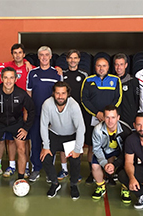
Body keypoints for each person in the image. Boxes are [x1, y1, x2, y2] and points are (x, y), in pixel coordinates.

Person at [0, 67, 35, 191]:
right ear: (1, 79)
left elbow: (32, 111)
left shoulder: (21, 94)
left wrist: (26, 128)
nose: (8, 80)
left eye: (11, 77)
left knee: (21, 149)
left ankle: (21, 178)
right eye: (5, 77)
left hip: (16, 123)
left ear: (16, 79)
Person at [40, 81, 85, 199]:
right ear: (53, 94)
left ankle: (74, 184)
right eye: (58, 93)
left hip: (70, 136)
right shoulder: (47, 104)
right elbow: (43, 125)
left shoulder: (74, 106)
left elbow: (81, 128)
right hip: (54, 134)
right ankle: (54, 183)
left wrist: (77, 149)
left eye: (63, 93)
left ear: (68, 94)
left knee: (75, 161)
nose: (60, 96)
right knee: (45, 158)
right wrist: (46, 146)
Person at [81, 57, 122, 184]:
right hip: (93, 118)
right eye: (99, 66)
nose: (101, 68)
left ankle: (109, 173)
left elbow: (118, 98)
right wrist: (97, 113)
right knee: (92, 146)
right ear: (95, 67)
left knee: (110, 147)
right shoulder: (88, 80)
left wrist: (107, 115)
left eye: (104, 66)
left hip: (110, 119)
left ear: (108, 67)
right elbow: (84, 99)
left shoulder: (116, 80)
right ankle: (92, 173)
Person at [26, 46, 62, 182]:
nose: (44, 57)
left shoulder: (57, 73)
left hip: (52, 116)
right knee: (35, 142)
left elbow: (60, 95)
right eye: (41, 55)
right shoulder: (32, 73)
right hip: (35, 115)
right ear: (38, 57)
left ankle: (49, 169)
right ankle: (36, 168)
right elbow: (28, 94)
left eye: (47, 54)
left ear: (50, 56)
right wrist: (27, 113)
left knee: (50, 143)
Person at [3, 43, 33, 178]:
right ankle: (11, 165)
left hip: (24, 107)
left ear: (24, 54)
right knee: (10, 140)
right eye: (15, 53)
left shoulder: (30, 68)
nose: (17, 55)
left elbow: (46, 67)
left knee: (23, 139)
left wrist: (58, 68)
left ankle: (25, 166)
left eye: (20, 53)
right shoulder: (7, 67)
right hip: (10, 109)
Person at [57, 49, 88, 181]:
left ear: (79, 60)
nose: (73, 60)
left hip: (79, 113)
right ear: (67, 60)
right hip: (64, 113)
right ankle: (64, 169)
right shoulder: (61, 74)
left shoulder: (84, 75)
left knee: (77, 142)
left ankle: (76, 170)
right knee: (64, 142)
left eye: (75, 58)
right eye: (70, 58)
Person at [91, 105, 132, 202]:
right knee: (94, 165)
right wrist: (105, 164)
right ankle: (101, 186)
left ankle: (125, 188)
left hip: (121, 151)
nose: (110, 121)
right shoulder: (97, 130)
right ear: (103, 118)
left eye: (113, 117)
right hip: (105, 150)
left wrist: (115, 164)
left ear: (118, 117)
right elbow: (96, 149)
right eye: (107, 117)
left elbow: (128, 152)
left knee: (129, 163)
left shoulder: (126, 130)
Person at [113, 53, 140, 128]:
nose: (119, 67)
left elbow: (137, 100)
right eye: (116, 64)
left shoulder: (133, 81)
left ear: (126, 65)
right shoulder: (110, 81)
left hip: (129, 118)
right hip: (114, 118)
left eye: (121, 64)